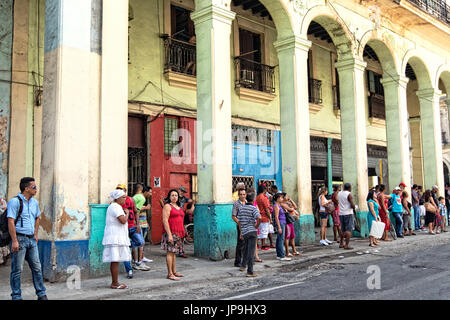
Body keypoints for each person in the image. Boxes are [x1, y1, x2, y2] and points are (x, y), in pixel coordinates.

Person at [7, 177, 48, 300]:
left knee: (37, 267)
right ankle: (16, 296)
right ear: (26, 188)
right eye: (34, 187)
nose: (36, 189)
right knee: (17, 270)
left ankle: (41, 294)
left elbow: (37, 218)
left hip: (31, 240)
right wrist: (14, 240)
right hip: (19, 239)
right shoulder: (14, 202)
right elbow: (10, 221)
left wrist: (35, 234)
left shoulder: (34, 202)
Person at [116, 184, 149, 276]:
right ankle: (130, 269)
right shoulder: (116, 203)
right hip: (123, 228)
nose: (121, 191)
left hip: (132, 226)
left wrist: (138, 224)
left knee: (140, 242)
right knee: (125, 251)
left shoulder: (131, 200)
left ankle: (128, 246)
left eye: (122, 189)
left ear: (125, 190)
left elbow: (136, 212)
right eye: (118, 189)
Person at [102, 189, 131, 290]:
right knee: (115, 260)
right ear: (117, 198)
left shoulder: (113, 207)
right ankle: (115, 283)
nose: (125, 199)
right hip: (115, 237)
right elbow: (123, 221)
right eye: (123, 197)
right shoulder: (116, 207)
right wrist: (127, 213)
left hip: (115, 236)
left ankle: (115, 281)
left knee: (115, 260)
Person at [161, 189, 186, 281]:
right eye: (172, 195)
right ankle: (170, 273)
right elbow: (165, 220)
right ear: (169, 197)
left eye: (176, 195)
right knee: (170, 252)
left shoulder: (178, 206)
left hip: (179, 233)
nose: (174, 197)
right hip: (171, 232)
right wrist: (169, 235)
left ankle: (174, 271)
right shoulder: (167, 206)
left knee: (174, 252)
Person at [236, 191, 262, 277]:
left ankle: (243, 266)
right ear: (254, 199)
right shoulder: (254, 208)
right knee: (251, 252)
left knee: (246, 249)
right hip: (252, 231)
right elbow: (259, 218)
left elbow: (239, 222)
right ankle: (250, 271)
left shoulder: (241, 208)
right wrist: (256, 225)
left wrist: (241, 232)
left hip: (245, 231)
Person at [133, 184, 153, 263]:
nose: (150, 194)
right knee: (140, 242)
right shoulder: (141, 198)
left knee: (141, 242)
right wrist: (146, 207)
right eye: (150, 192)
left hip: (143, 222)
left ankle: (141, 257)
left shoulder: (137, 197)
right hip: (139, 223)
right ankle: (139, 260)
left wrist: (146, 223)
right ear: (145, 191)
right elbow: (136, 210)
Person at [273, 193, 291, 261]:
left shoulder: (279, 205)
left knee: (279, 239)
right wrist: (279, 227)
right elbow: (276, 217)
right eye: (280, 198)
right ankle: (282, 255)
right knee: (281, 239)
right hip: (280, 223)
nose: (282, 199)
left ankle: (279, 254)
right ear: (277, 199)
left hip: (283, 222)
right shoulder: (276, 206)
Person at [338, 183, 356, 250]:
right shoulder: (349, 194)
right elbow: (352, 205)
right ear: (349, 188)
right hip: (348, 213)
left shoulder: (339, 193)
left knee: (343, 229)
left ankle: (341, 243)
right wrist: (354, 207)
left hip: (341, 213)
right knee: (348, 230)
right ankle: (347, 245)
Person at [232, 188, 246, 267]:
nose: (242, 196)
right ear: (238, 195)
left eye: (244, 194)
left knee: (246, 244)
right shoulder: (236, 204)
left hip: (247, 226)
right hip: (240, 226)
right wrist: (239, 223)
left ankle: (245, 260)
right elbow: (233, 216)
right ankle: (237, 261)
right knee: (240, 244)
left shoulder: (247, 203)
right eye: (241, 194)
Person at [255, 184, 271, 251]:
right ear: (264, 190)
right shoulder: (264, 198)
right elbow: (267, 209)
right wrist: (270, 217)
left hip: (258, 216)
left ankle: (257, 244)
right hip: (264, 217)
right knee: (264, 231)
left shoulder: (257, 197)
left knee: (259, 231)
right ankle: (263, 245)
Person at [0, 198, 10, 265]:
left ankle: (3, 258)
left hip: (3, 226)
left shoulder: (3, 201)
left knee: (2, 243)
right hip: (3, 226)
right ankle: (5, 255)